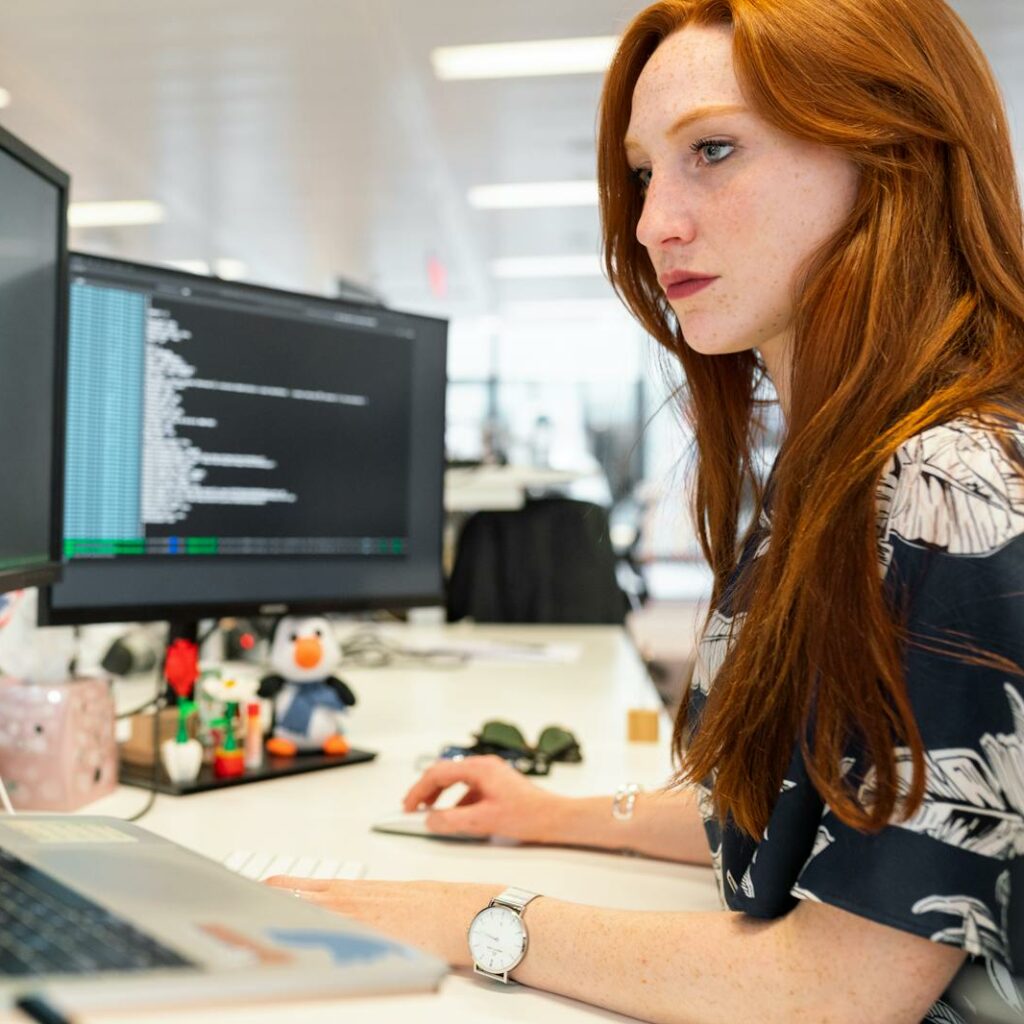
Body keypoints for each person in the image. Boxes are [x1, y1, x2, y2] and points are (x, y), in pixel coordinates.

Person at [267, 0, 1024, 1020]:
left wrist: (465, 919)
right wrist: (559, 813)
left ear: (891, 154)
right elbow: (818, 811)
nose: (651, 220)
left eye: (713, 149)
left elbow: (842, 985)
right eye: (642, 171)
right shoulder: (837, 466)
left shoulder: (950, 483)